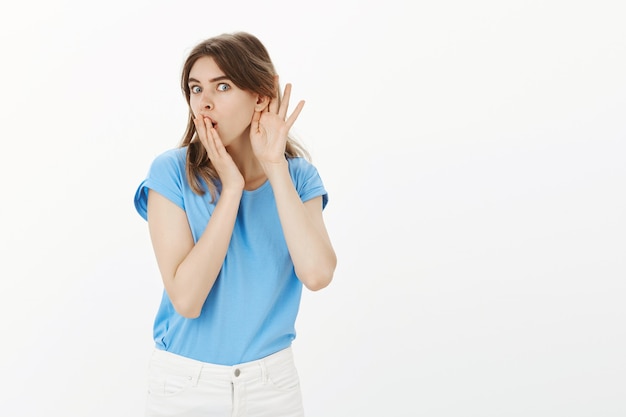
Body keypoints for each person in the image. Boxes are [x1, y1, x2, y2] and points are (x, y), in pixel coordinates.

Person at [133, 31, 337, 417]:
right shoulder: (171, 173)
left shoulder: (298, 177)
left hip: (272, 387)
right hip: (186, 387)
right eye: (195, 89)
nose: (204, 102)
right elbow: (187, 301)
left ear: (261, 97)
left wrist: (275, 167)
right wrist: (232, 190)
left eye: (222, 86)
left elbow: (317, 274)